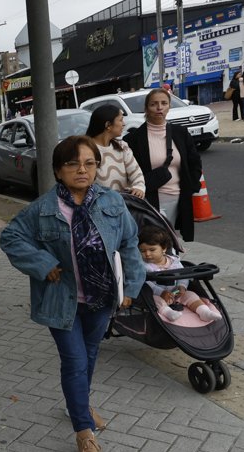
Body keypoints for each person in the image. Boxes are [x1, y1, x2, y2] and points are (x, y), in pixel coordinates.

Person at [0, 136, 146, 452]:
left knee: (90, 354)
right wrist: (42, 264)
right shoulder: (43, 209)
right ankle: (84, 432)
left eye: (90, 163)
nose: (82, 170)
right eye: (72, 164)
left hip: (101, 298)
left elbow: (129, 243)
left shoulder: (112, 202)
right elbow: (10, 237)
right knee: (75, 361)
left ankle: (77, 403)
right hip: (61, 301)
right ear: (58, 170)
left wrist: (132, 287)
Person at [123, 88, 202, 242]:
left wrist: (191, 187)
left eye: (164, 103)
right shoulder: (133, 139)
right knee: (153, 242)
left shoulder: (180, 133)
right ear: (146, 108)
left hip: (178, 198)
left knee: (172, 242)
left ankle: (173, 265)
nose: (159, 108)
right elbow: (129, 171)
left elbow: (194, 162)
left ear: (169, 106)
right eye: (154, 104)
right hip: (149, 201)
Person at [138, 225, 222, 323]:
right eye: (142, 251)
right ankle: (168, 313)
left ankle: (204, 311)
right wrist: (160, 292)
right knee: (154, 300)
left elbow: (183, 275)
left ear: (164, 248)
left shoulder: (174, 261)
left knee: (191, 295)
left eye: (152, 250)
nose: (147, 254)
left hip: (175, 293)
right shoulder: (143, 266)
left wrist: (182, 287)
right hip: (157, 294)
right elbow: (146, 283)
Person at [84, 105, 145, 198]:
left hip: (123, 206)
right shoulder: (85, 150)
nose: (123, 124)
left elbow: (136, 174)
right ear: (108, 125)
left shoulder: (122, 146)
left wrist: (139, 188)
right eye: (120, 120)